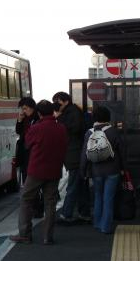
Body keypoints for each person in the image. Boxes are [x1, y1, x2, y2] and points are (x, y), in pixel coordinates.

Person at [10, 100, 68, 245]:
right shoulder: (61, 128)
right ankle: (48, 236)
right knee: (50, 203)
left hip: (36, 170)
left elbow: (27, 143)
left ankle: (25, 234)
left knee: (26, 200)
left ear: (39, 113)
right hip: (54, 170)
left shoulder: (36, 127)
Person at [79, 106, 126, 234]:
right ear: (108, 117)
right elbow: (122, 152)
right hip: (113, 170)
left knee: (98, 196)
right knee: (108, 198)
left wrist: (82, 171)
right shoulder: (113, 132)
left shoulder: (89, 133)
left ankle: (97, 223)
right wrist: (123, 168)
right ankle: (106, 227)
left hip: (96, 171)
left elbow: (84, 154)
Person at [52, 91, 91, 223]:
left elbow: (73, 129)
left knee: (73, 185)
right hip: (75, 154)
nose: (56, 105)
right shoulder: (71, 112)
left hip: (75, 154)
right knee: (80, 186)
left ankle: (66, 214)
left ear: (65, 101)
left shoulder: (72, 112)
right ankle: (84, 213)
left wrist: (58, 118)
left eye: (58, 102)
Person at [15, 97, 44, 217]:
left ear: (31, 107)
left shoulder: (37, 118)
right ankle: (33, 208)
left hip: (33, 154)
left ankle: (37, 209)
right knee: (26, 181)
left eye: (25, 109)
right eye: (22, 109)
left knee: (32, 185)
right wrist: (20, 120)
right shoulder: (25, 119)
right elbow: (18, 131)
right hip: (24, 155)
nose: (23, 111)